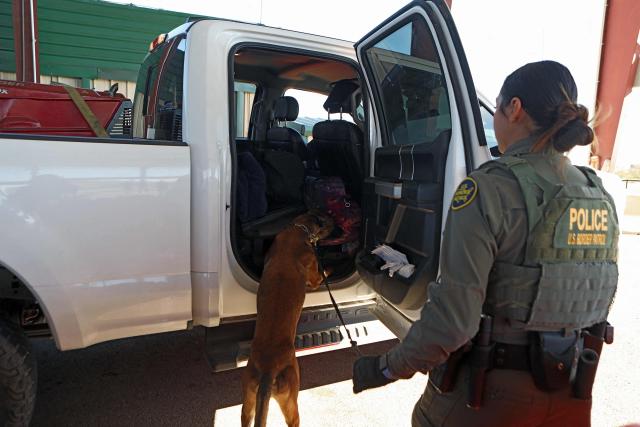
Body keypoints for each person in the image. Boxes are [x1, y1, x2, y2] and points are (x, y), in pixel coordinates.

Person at [352, 60, 619, 426]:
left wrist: (384, 368)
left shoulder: (489, 188)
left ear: (515, 108)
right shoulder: (597, 193)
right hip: (571, 395)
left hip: (490, 400)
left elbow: (452, 324)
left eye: (497, 107)